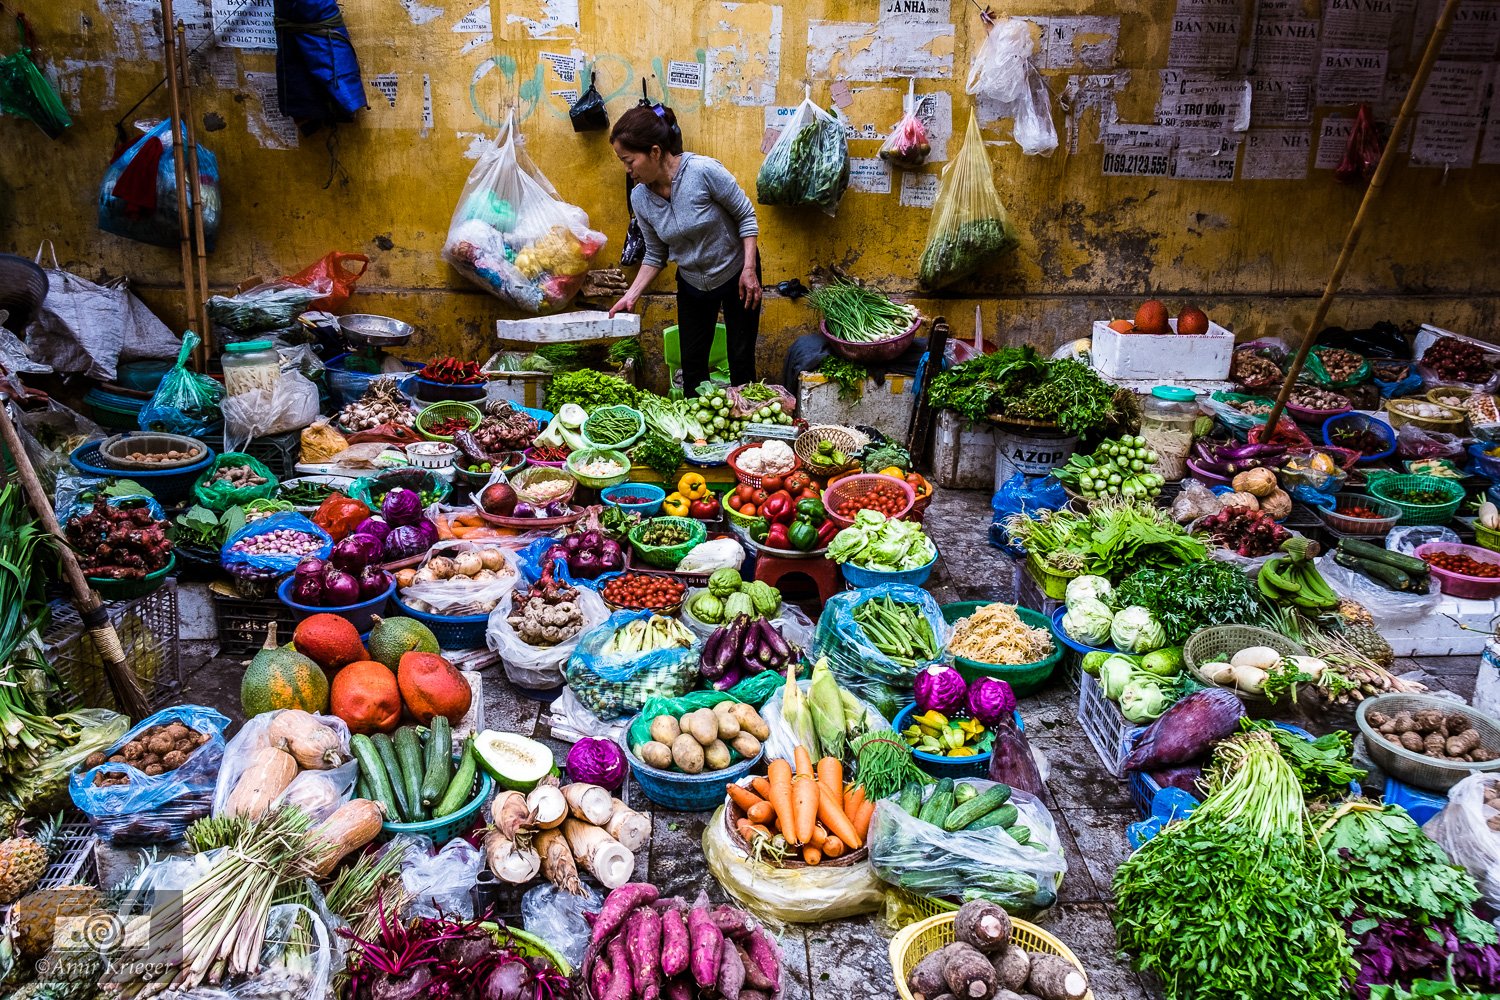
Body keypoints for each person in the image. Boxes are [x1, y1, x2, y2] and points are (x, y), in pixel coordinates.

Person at [606, 105, 761, 395]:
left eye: (629, 160)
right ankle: (698, 438)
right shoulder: (640, 198)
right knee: (692, 368)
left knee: (740, 361)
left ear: (654, 152)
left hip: (737, 273)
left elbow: (746, 217)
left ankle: (747, 436)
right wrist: (631, 295)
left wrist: (749, 269)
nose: (627, 169)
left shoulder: (703, 171)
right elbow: (655, 253)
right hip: (692, 282)